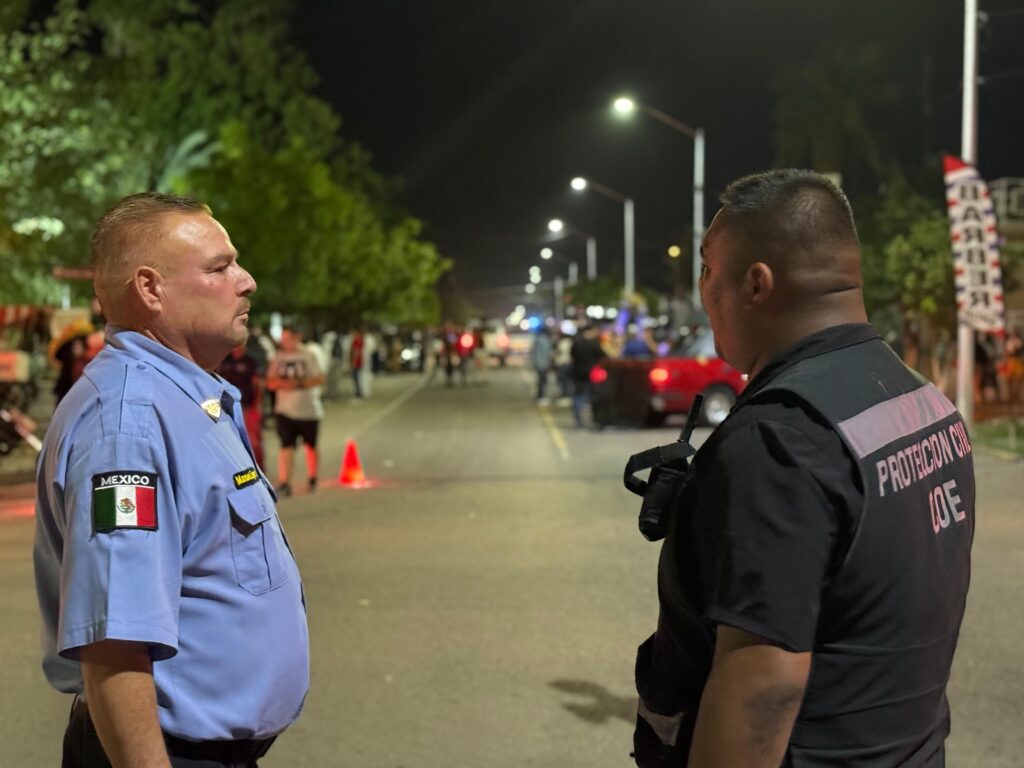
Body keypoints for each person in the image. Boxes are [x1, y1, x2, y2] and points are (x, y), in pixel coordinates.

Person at [632, 170, 974, 767]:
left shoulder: (779, 440)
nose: (702, 285)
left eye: (709, 267)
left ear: (756, 285)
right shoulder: (921, 400)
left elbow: (762, 690)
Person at [33, 192, 308, 767]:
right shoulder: (128, 426)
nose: (247, 280)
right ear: (150, 289)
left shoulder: (185, 398)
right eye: (220, 266)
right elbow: (114, 641)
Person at [266, 326, 324, 497]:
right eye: (283, 338)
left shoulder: (309, 355)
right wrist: (282, 384)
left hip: (308, 410)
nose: (285, 341)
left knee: (310, 446)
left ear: (297, 337)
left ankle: (313, 477)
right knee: (286, 446)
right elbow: (270, 381)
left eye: (288, 337)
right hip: (284, 410)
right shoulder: (278, 358)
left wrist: (298, 384)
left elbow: (319, 378)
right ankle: (285, 482)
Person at [217, 345, 265, 468]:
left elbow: (258, 385)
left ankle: (259, 468)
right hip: (226, 407)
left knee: (253, 441)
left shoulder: (250, 361)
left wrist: (257, 405)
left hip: (247, 406)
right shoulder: (224, 360)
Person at [570, 323, 604, 427]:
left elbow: (572, 356)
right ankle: (594, 420)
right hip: (592, 374)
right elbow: (603, 357)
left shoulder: (576, 343)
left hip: (578, 373)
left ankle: (578, 419)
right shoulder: (595, 344)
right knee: (594, 397)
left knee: (578, 396)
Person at [529, 327, 553, 405]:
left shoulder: (537, 339)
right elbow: (548, 353)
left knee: (540, 381)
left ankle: (539, 396)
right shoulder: (545, 340)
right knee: (543, 381)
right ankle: (541, 397)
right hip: (543, 364)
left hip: (538, 363)